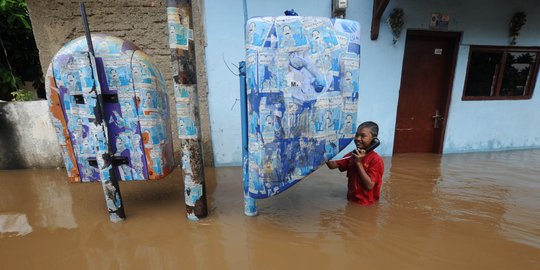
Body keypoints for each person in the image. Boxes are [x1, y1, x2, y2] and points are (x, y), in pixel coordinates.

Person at [326, 121, 384, 205]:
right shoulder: (352, 155)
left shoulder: (376, 160)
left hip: (366, 205)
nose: (358, 139)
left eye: (363, 136)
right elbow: (332, 165)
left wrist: (359, 163)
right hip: (351, 200)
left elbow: (369, 185)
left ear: (374, 140)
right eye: (357, 135)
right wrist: (323, 154)